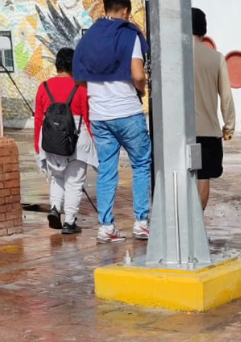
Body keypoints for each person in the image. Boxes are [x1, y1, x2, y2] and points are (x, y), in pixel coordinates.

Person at [73, 0, 151, 243]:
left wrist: (99, 91)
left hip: (99, 115)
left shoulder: (88, 37)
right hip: (127, 112)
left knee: (106, 169)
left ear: (104, 8)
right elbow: (138, 73)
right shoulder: (130, 35)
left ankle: (106, 226)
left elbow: (79, 79)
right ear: (126, 11)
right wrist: (142, 88)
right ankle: (141, 223)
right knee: (141, 164)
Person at [33, 48, 97, 235]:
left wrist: (37, 144)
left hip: (51, 141)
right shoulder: (81, 87)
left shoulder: (43, 87)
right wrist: (96, 144)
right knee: (74, 182)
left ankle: (54, 207)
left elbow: (38, 118)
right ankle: (69, 221)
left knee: (57, 177)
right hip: (77, 140)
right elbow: (88, 118)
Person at [190, 7, 235, 211]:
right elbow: (226, 96)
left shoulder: (172, 56)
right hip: (208, 131)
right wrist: (229, 126)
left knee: (181, 176)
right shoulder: (216, 58)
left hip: (179, 132)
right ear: (203, 30)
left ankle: (182, 225)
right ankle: (197, 224)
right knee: (203, 177)